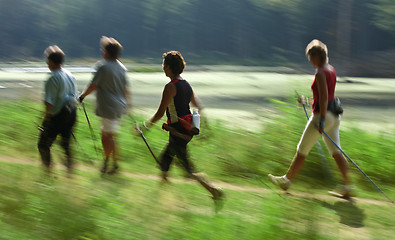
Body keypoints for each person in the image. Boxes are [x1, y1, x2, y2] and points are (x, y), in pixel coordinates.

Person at [268, 39, 353, 197]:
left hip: (323, 117)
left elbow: (324, 97)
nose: (309, 60)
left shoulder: (320, 72)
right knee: (336, 152)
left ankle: (286, 181)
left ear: (316, 56)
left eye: (310, 57)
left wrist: (320, 120)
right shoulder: (331, 69)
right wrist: (307, 101)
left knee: (302, 149)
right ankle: (348, 186)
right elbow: (324, 96)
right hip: (334, 116)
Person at [140, 50, 224, 209]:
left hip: (178, 132)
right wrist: (204, 126)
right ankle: (163, 198)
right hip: (185, 131)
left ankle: (215, 190)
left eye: (164, 65)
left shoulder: (170, 87)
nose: (163, 67)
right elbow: (198, 106)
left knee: (188, 169)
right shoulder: (185, 84)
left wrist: (145, 126)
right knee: (165, 161)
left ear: (170, 67)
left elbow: (159, 113)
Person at [79, 36, 131, 174]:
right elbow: (126, 89)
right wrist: (128, 105)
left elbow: (93, 85)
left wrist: (82, 96)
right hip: (119, 105)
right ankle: (111, 162)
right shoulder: (122, 68)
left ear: (107, 52)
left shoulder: (102, 66)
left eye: (103, 50)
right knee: (106, 134)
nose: (102, 52)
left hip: (108, 106)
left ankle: (110, 164)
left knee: (109, 135)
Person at [38, 45, 78, 174]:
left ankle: (48, 173)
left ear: (50, 61)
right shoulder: (69, 74)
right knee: (65, 143)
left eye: (47, 60)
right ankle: (70, 170)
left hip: (58, 115)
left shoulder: (52, 78)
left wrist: (46, 119)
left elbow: (48, 103)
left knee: (43, 144)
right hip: (72, 113)